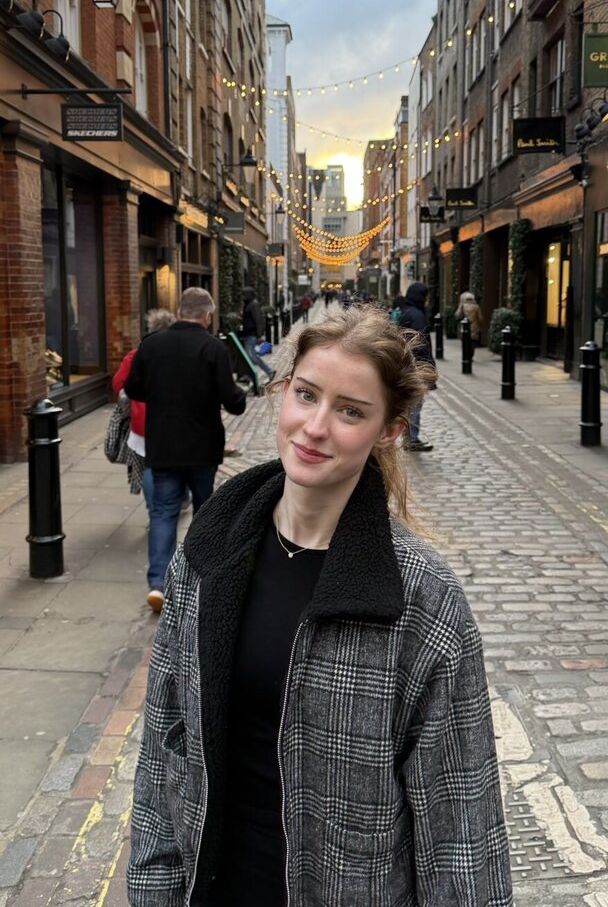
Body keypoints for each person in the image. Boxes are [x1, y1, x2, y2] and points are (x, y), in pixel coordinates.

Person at [127, 305, 513, 907]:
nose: (314, 427)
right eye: (306, 395)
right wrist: (153, 889)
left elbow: (461, 824)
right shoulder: (209, 551)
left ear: (390, 430)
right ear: (283, 392)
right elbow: (163, 741)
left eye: (350, 411)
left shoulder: (419, 598)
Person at [124, 288, 247, 613]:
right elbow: (231, 399)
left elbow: (133, 387)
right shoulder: (213, 347)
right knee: (204, 510)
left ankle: (158, 584)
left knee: (163, 512)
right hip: (202, 446)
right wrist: (240, 395)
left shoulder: (152, 344)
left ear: (179, 311)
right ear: (207, 315)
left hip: (163, 444)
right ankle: (198, 574)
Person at [112, 309, 176, 514]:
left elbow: (118, 384)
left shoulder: (137, 354)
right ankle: (180, 498)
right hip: (173, 420)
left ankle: (153, 511)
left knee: (149, 466)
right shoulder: (178, 353)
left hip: (142, 422)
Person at [398, 282, 436, 452]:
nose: (427, 300)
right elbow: (421, 343)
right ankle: (411, 438)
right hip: (417, 365)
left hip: (408, 363)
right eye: (425, 296)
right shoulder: (417, 315)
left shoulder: (407, 311)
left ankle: (409, 437)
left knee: (411, 402)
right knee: (415, 403)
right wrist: (428, 366)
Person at [242, 286, 275, 382]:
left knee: (252, 356)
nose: (243, 297)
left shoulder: (254, 305)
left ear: (250, 295)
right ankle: (248, 376)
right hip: (248, 334)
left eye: (244, 294)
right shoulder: (248, 304)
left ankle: (269, 372)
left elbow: (258, 320)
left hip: (252, 335)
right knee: (248, 357)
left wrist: (259, 335)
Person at [457, 290, 484, 358]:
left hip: (464, 326)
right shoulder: (476, 307)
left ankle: (466, 355)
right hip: (474, 327)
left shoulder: (463, 306)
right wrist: (480, 325)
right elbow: (480, 318)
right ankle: (471, 355)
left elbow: (457, 315)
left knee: (465, 341)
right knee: (473, 342)